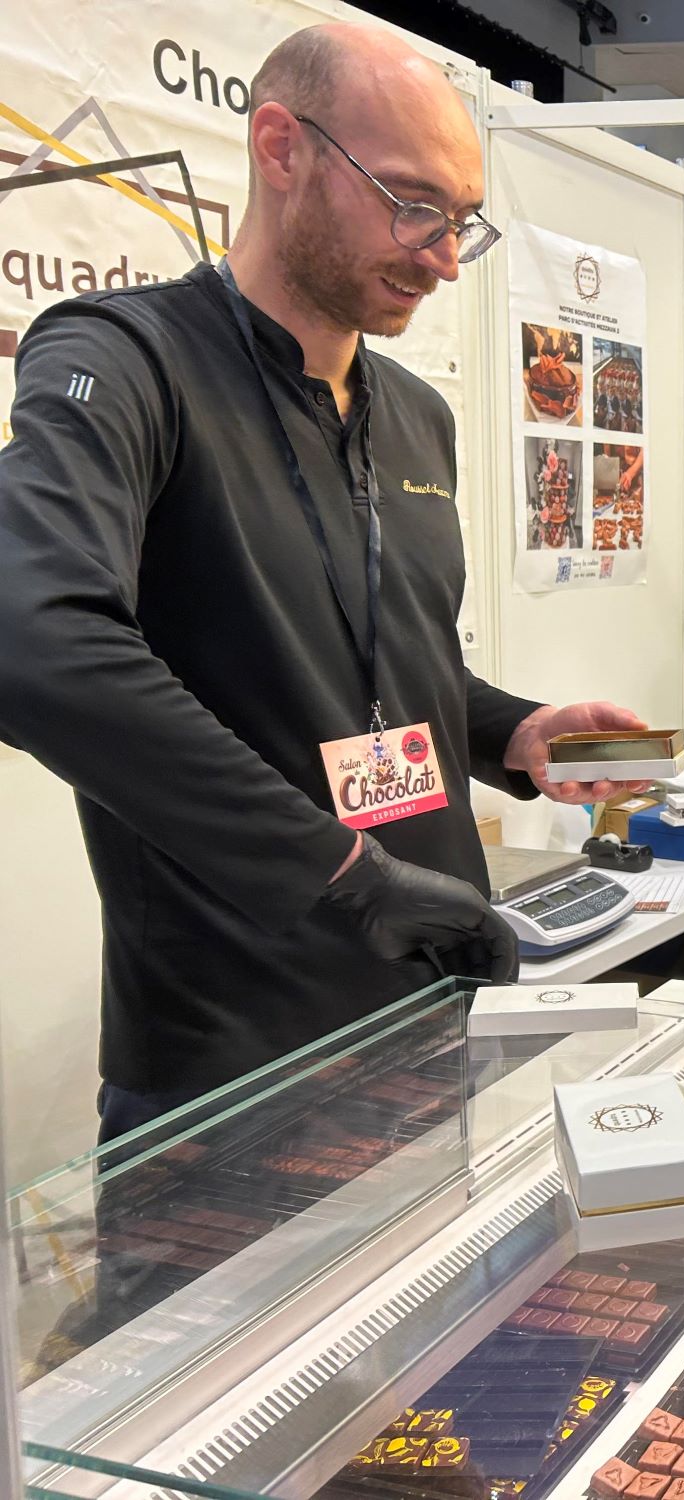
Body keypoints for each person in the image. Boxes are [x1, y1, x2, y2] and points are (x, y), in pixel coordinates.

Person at [0, 24, 651, 1142]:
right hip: (231, 1061)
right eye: (410, 203)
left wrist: (514, 731)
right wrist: (346, 872)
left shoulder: (414, 412)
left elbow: (382, 664)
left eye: (460, 221)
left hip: (430, 1007)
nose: (442, 256)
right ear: (280, 148)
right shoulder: (123, 360)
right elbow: (31, 640)